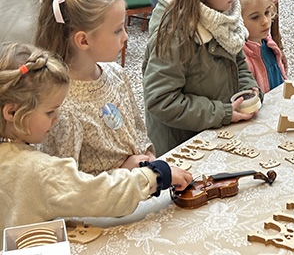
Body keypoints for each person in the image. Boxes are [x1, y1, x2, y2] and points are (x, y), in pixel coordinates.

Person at [0, 42, 192, 244]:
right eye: (50, 111)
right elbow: (101, 195)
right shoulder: (37, 170)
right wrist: (156, 174)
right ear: (12, 112)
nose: (57, 118)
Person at [143, 0, 260, 156]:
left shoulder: (221, 15)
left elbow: (238, 61)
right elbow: (161, 101)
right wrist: (222, 113)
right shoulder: (173, 31)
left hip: (215, 134)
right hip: (184, 147)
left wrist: (247, 90)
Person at [34, 0, 155, 175]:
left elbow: (137, 130)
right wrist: (121, 173)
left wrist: (147, 155)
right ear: (83, 40)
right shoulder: (61, 106)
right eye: (118, 30)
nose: (126, 37)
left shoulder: (117, 74)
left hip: (141, 189)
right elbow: (64, 184)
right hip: (109, 203)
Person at [238, 0, 286, 93]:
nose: (265, 21)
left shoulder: (268, 43)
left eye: (267, 12)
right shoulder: (243, 59)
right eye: (255, 17)